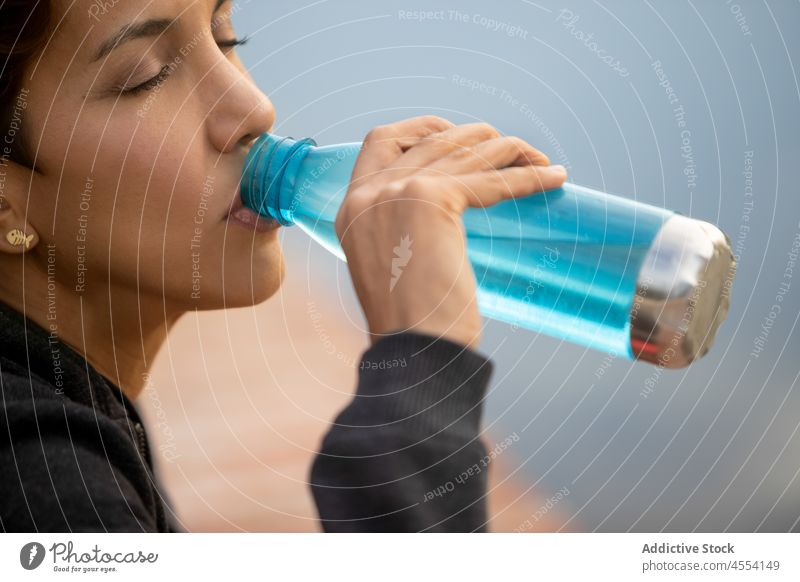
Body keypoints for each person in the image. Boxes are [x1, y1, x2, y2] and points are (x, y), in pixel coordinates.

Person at [0, 0, 567, 532]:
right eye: (145, 77)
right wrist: (420, 356)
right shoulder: (40, 474)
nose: (254, 107)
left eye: (225, 37)